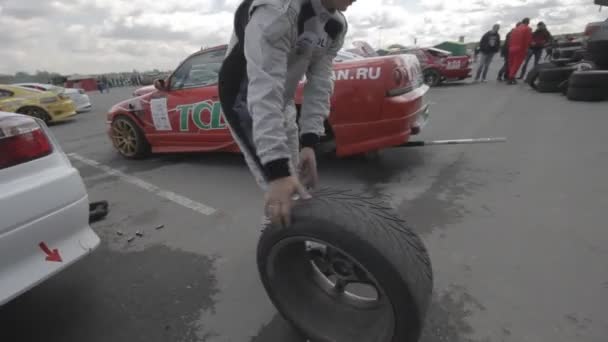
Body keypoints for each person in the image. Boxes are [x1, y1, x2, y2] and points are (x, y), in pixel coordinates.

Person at [217, 0, 353, 227]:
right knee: (281, 186)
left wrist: (310, 141)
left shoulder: (335, 25)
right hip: (244, 99)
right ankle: (280, 249)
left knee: (295, 182)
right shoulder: (276, 10)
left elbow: (320, 83)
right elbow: (263, 91)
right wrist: (277, 172)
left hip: (283, 97)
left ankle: (302, 238)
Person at [507, 17, 533, 84]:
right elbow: (528, 40)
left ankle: (511, 76)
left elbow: (510, 39)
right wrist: (527, 48)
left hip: (511, 48)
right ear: (528, 22)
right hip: (520, 49)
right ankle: (511, 78)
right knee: (516, 64)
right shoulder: (527, 29)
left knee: (511, 64)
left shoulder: (515, 29)